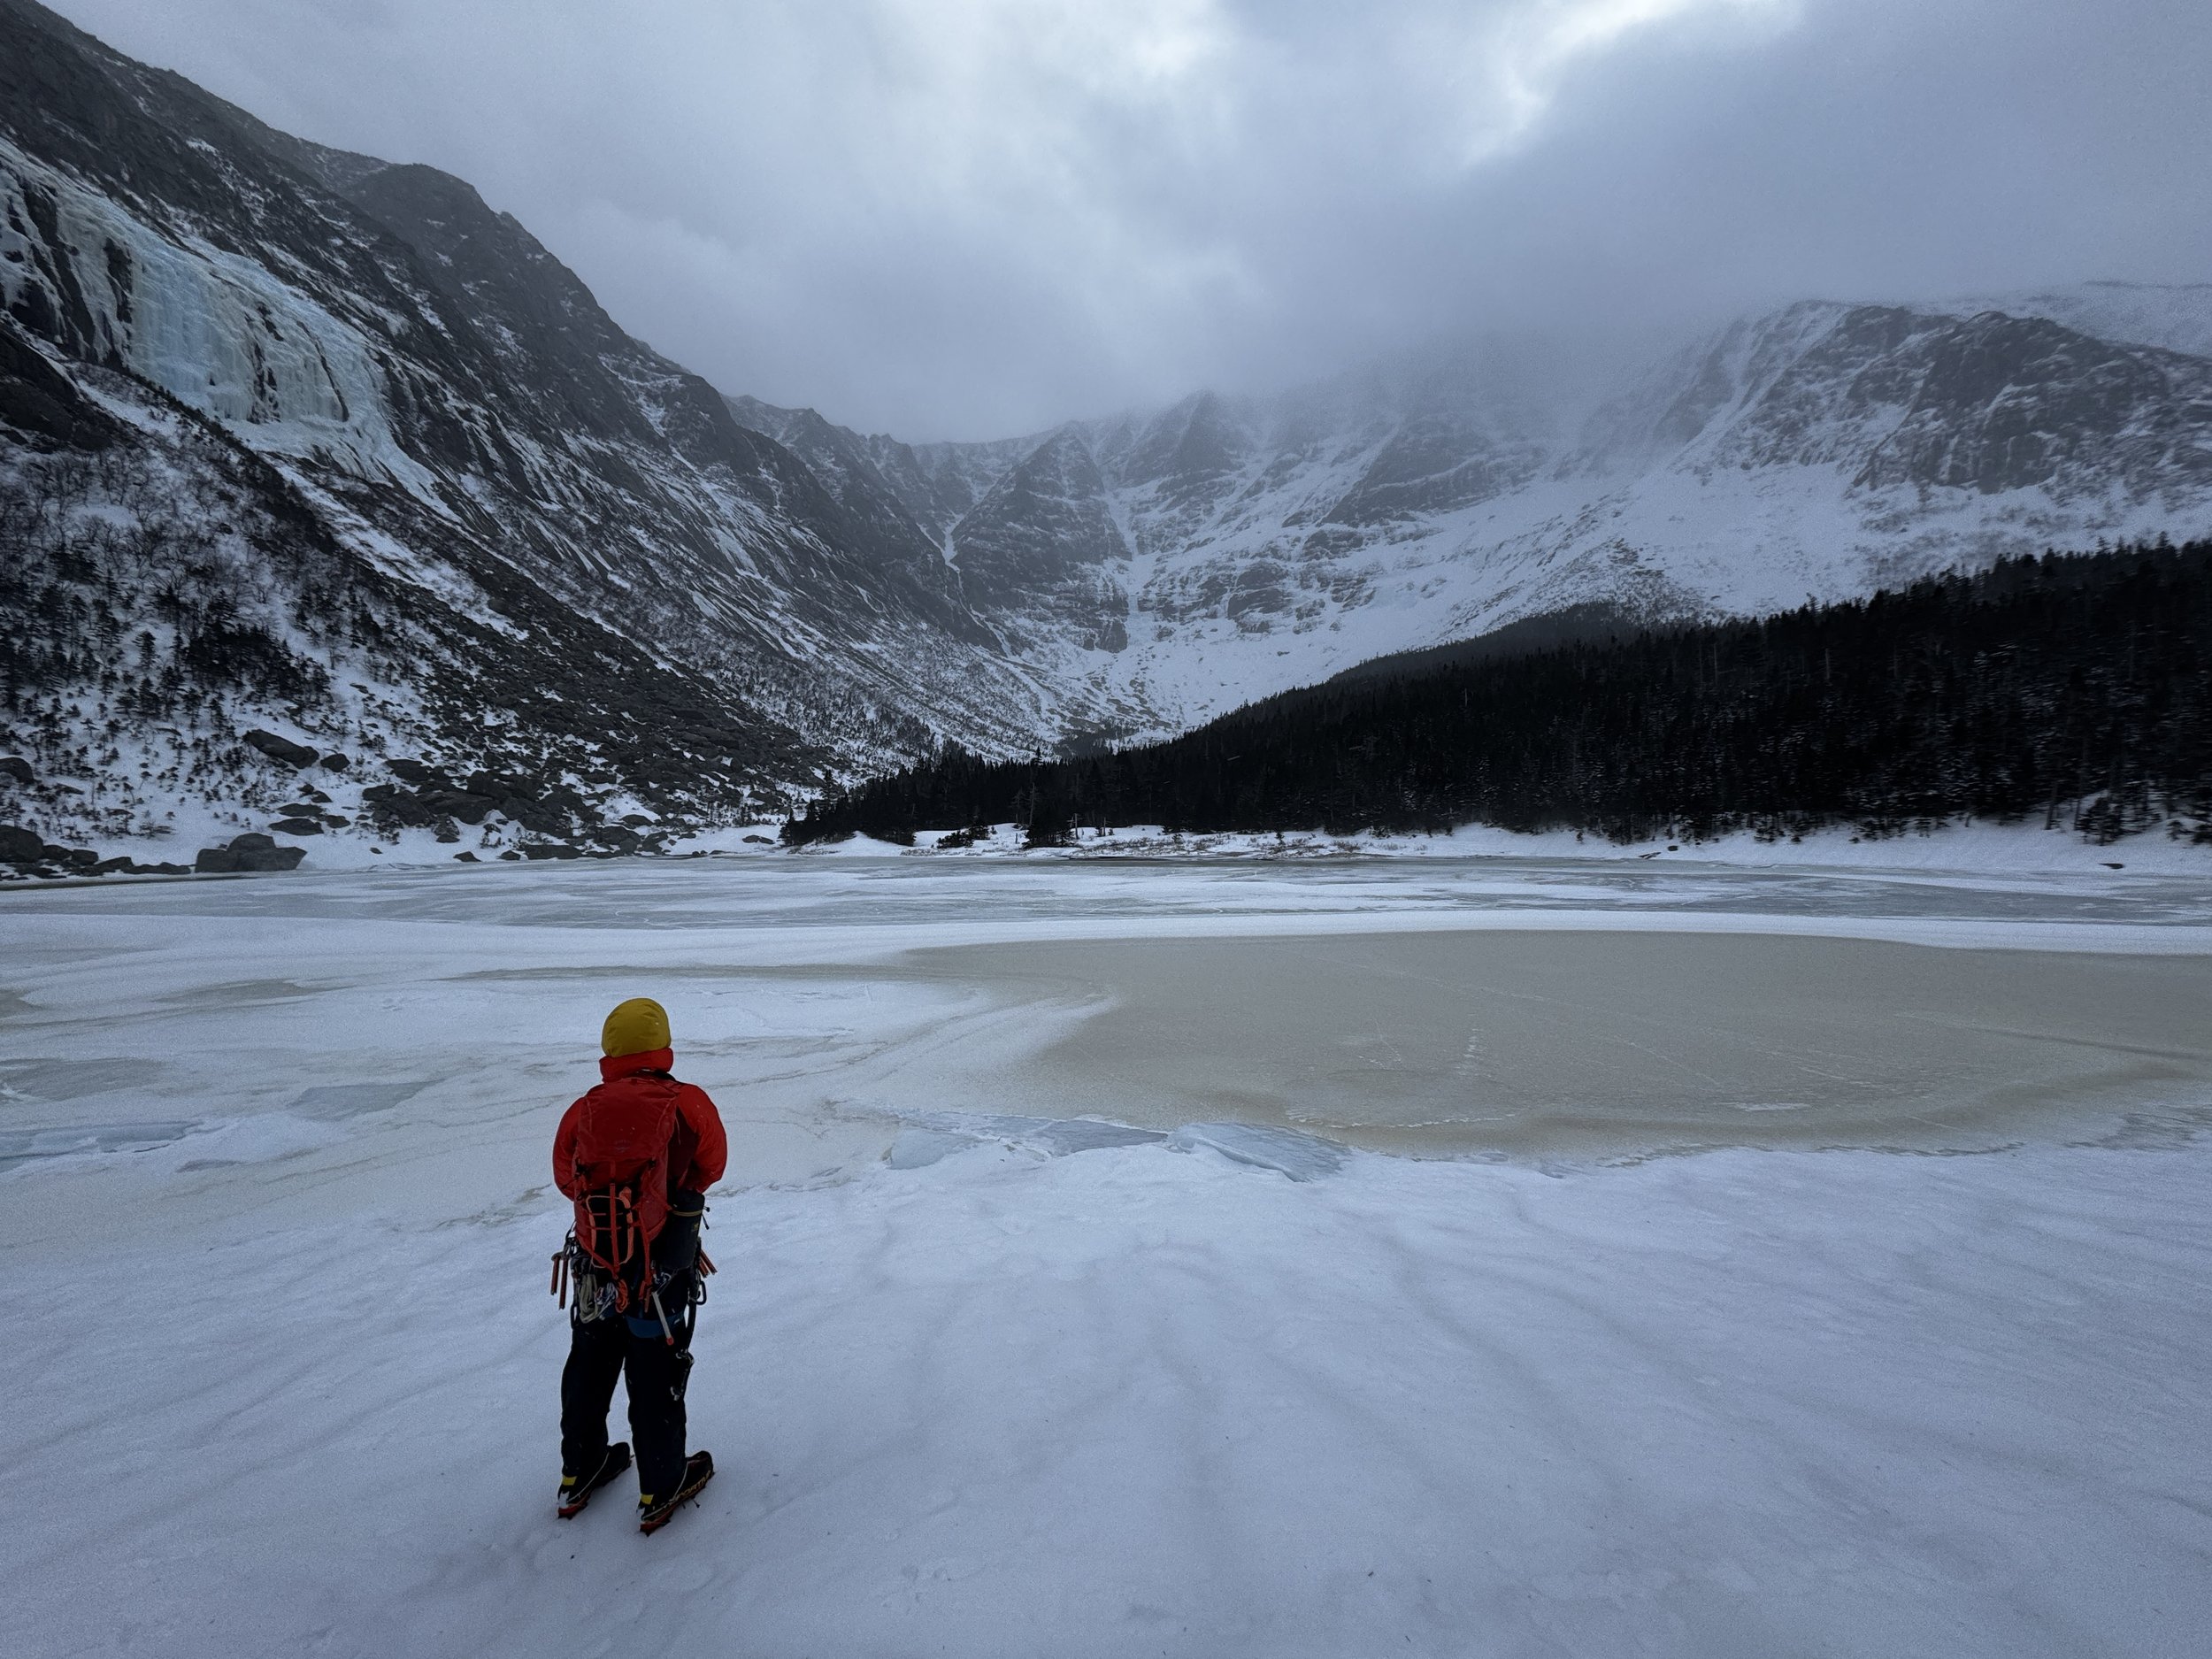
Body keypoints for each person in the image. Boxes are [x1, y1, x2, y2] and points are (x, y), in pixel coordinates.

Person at [551, 996, 727, 1532]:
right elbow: (713, 1164)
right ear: (662, 1046)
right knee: (655, 1368)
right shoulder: (687, 1102)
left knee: (589, 1359)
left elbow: (565, 1178)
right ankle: (661, 1484)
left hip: (594, 1265)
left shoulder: (583, 1109)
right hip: (659, 1268)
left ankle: (577, 1473)